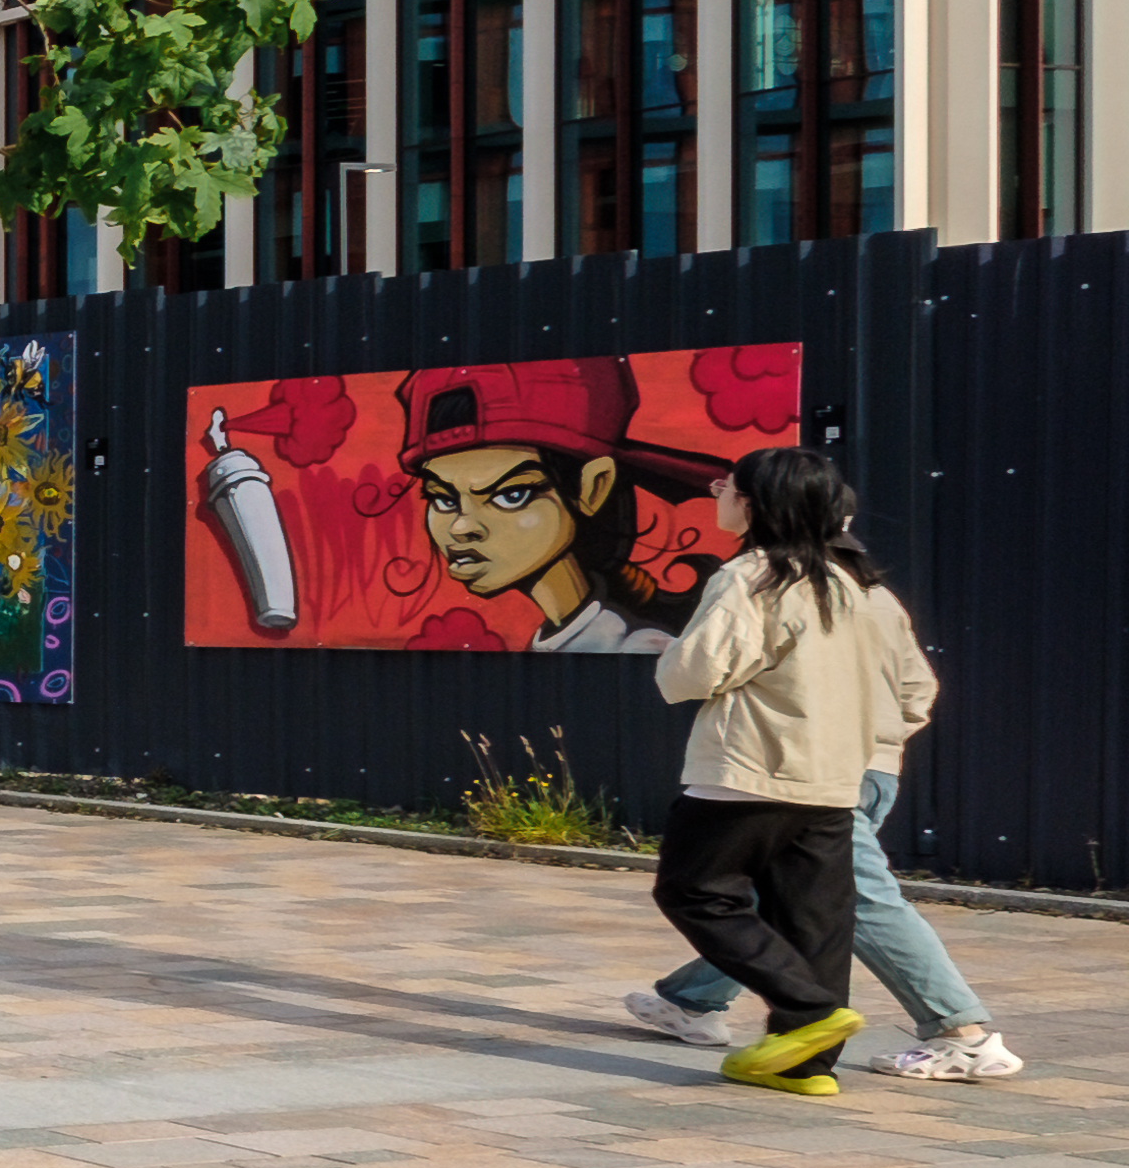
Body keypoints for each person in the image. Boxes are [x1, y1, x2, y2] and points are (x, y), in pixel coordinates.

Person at [643, 445, 938, 1099]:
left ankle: (806, 1011)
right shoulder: (868, 591)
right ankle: (806, 1066)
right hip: (835, 780)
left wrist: (674, 656)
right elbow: (916, 693)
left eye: (728, 487)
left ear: (753, 503)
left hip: (746, 772)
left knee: (695, 891)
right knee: (816, 922)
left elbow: (691, 675)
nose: (718, 493)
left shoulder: (755, 576)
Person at [629, 763, 1022, 1082]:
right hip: (867, 765)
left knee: (859, 899)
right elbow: (914, 692)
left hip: (825, 766)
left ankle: (960, 1033)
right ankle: (694, 999)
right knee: (794, 899)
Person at [395, 360, 709, 653]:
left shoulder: (634, 646)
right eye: (443, 499)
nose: (461, 527)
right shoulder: (558, 638)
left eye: (511, 495)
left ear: (593, 487)